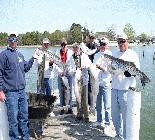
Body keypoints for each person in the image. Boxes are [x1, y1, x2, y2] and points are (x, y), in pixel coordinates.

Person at [0, 32, 38, 140]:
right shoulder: (3, 55)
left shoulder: (20, 55)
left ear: (17, 41)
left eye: (15, 39)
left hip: (22, 91)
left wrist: (33, 58)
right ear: (8, 40)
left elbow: (25, 68)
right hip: (10, 92)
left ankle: (26, 137)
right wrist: (1, 91)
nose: (13, 42)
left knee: (24, 117)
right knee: (13, 120)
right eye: (11, 39)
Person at [111, 33, 140, 139]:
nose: (121, 43)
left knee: (127, 116)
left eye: (123, 41)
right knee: (114, 115)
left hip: (126, 90)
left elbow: (137, 72)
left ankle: (127, 137)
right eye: (119, 42)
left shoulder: (133, 54)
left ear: (127, 41)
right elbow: (111, 70)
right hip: (114, 88)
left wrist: (131, 74)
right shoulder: (114, 55)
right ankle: (119, 135)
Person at [91, 37, 112, 135]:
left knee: (107, 106)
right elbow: (94, 67)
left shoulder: (110, 55)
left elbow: (110, 70)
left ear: (107, 45)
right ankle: (99, 120)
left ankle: (107, 124)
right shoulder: (97, 55)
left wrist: (100, 67)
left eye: (104, 44)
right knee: (98, 104)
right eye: (101, 44)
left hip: (106, 83)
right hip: (97, 83)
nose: (102, 46)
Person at [72, 42, 92, 123]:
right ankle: (79, 114)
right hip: (76, 80)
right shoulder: (71, 58)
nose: (75, 49)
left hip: (84, 80)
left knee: (85, 98)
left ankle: (86, 116)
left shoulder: (84, 56)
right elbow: (68, 68)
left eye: (77, 47)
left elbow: (90, 65)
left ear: (79, 48)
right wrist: (71, 71)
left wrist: (85, 66)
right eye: (74, 48)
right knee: (78, 97)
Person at [55, 40, 75, 115]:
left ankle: (69, 108)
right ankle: (62, 108)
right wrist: (60, 72)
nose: (63, 46)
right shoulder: (57, 52)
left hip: (68, 75)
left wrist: (68, 73)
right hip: (60, 75)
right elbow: (55, 64)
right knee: (61, 92)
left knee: (69, 91)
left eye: (65, 45)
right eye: (62, 45)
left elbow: (72, 64)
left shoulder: (70, 52)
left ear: (67, 45)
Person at [86, 35, 99, 106]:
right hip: (88, 67)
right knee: (88, 84)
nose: (91, 39)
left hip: (94, 68)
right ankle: (88, 102)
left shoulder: (97, 47)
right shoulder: (86, 46)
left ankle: (94, 102)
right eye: (90, 38)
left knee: (94, 84)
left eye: (93, 38)